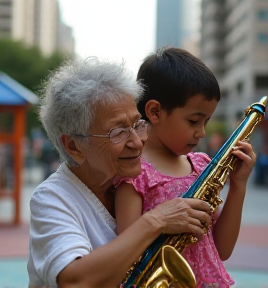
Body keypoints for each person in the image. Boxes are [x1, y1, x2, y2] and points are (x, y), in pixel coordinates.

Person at [27, 56, 213, 288]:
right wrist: (156, 221)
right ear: (73, 146)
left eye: (137, 125)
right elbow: (75, 281)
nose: (137, 142)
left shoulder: (135, 181)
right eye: (117, 132)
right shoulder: (51, 198)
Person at [114, 47, 256, 288]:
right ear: (155, 111)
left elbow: (221, 249)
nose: (201, 132)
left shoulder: (201, 165)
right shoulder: (134, 172)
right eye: (193, 121)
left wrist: (238, 186)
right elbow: (125, 252)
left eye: (206, 122)